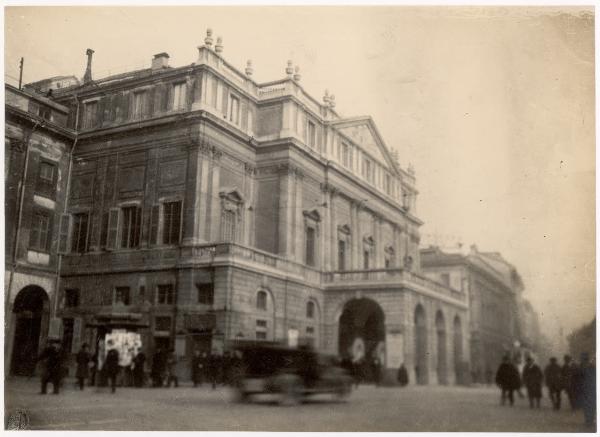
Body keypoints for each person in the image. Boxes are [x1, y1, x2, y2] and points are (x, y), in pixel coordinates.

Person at [579, 353, 596, 428]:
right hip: (591, 389)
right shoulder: (592, 367)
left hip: (587, 389)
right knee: (591, 405)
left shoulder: (582, 368)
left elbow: (579, 380)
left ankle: (588, 420)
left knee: (587, 405)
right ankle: (590, 420)